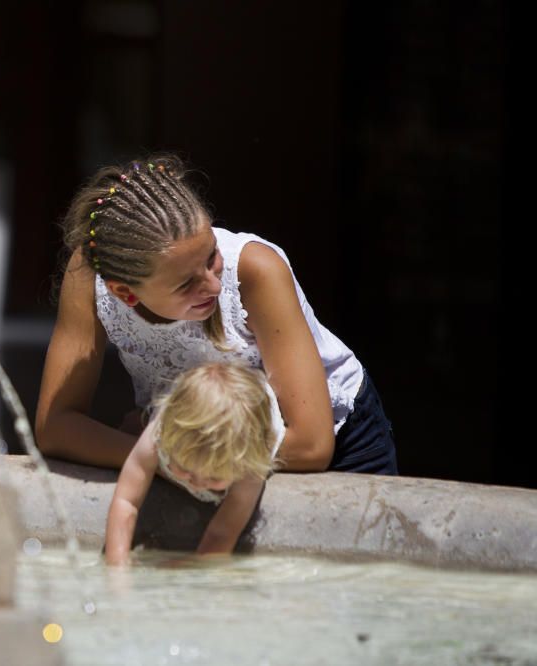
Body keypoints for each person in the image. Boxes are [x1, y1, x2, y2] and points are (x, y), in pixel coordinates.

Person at [34, 154, 397, 475]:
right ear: (125, 293)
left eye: (211, 257)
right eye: (185, 283)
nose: (211, 285)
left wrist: (168, 449)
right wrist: (157, 453)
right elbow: (56, 427)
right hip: (206, 448)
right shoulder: (91, 277)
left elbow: (311, 446)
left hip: (336, 444)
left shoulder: (254, 272)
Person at [104, 362, 285, 565]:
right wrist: (116, 567)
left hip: (256, 421)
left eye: (215, 477)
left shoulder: (248, 465)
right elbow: (126, 502)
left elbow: (221, 534)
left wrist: (194, 570)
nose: (197, 484)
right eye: (184, 469)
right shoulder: (159, 433)